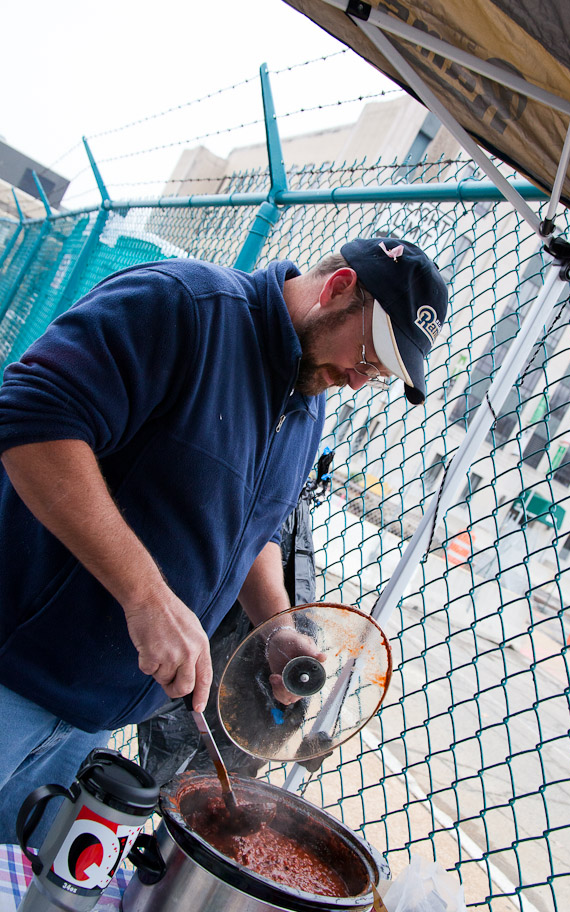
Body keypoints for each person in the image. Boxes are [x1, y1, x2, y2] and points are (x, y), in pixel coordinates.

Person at [0, 237, 447, 843]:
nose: (359, 381)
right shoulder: (186, 306)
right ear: (338, 287)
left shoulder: (305, 409)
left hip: (91, 719)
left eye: (380, 375)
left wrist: (277, 626)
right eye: (369, 356)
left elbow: (252, 533)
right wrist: (146, 597)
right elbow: (30, 418)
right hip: (14, 671)